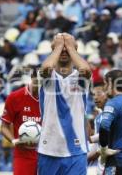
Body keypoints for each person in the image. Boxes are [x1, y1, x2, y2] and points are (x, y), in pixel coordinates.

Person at [38, 33, 91, 175]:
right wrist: (58, 46)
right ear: (53, 49)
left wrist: (70, 46)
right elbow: (47, 67)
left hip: (77, 150)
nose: (64, 51)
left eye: (67, 49)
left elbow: (86, 70)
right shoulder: (47, 77)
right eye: (61, 49)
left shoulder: (80, 78)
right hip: (48, 149)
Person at [1, 65, 41, 175]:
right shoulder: (14, 97)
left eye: (43, 82)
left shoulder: (50, 99)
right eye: (37, 81)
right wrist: (13, 141)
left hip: (46, 155)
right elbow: (4, 127)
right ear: (32, 78)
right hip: (23, 155)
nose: (40, 85)